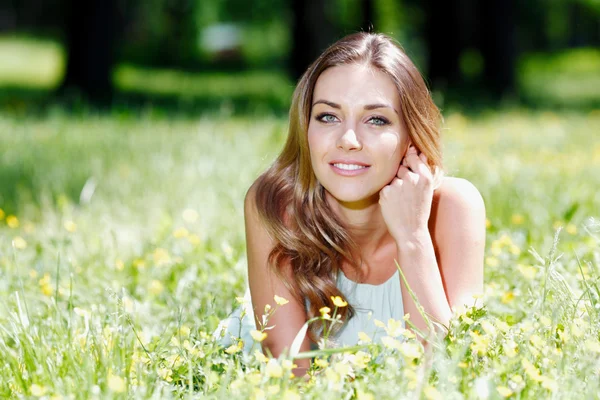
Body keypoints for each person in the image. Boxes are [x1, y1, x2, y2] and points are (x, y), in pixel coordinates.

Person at [215, 32, 485, 375]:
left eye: (376, 120)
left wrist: (413, 237)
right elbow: (292, 378)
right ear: (306, 127)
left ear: (411, 136)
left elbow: (454, 373)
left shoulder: (454, 208)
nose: (348, 140)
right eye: (328, 116)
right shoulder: (275, 205)